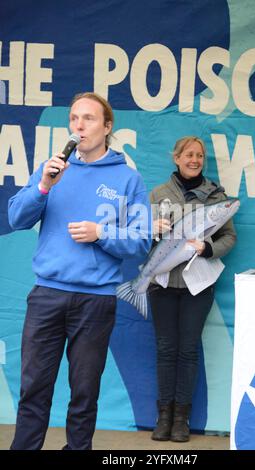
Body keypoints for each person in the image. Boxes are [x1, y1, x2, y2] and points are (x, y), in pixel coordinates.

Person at [8, 92, 151, 450]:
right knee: (33, 388)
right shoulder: (52, 168)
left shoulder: (127, 179)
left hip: (96, 300)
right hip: (47, 295)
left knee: (84, 393)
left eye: (88, 118)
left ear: (107, 126)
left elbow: (141, 240)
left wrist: (101, 233)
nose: (79, 125)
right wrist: (43, 186)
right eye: (74, 118)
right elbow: (15, 217)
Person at [149, 136, 236, 442]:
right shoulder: (158, 194)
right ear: (176, 158)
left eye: (199, 155)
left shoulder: (216, 196)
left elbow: (229, 237)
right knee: (165, 349)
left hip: (197, 285)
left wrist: (207, 247)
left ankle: (181, 419)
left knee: (187, 350)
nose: (194, 159)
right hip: (161, 284)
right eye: (188, 154)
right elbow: (140, 237)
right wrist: (150, 229)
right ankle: (163, 417)